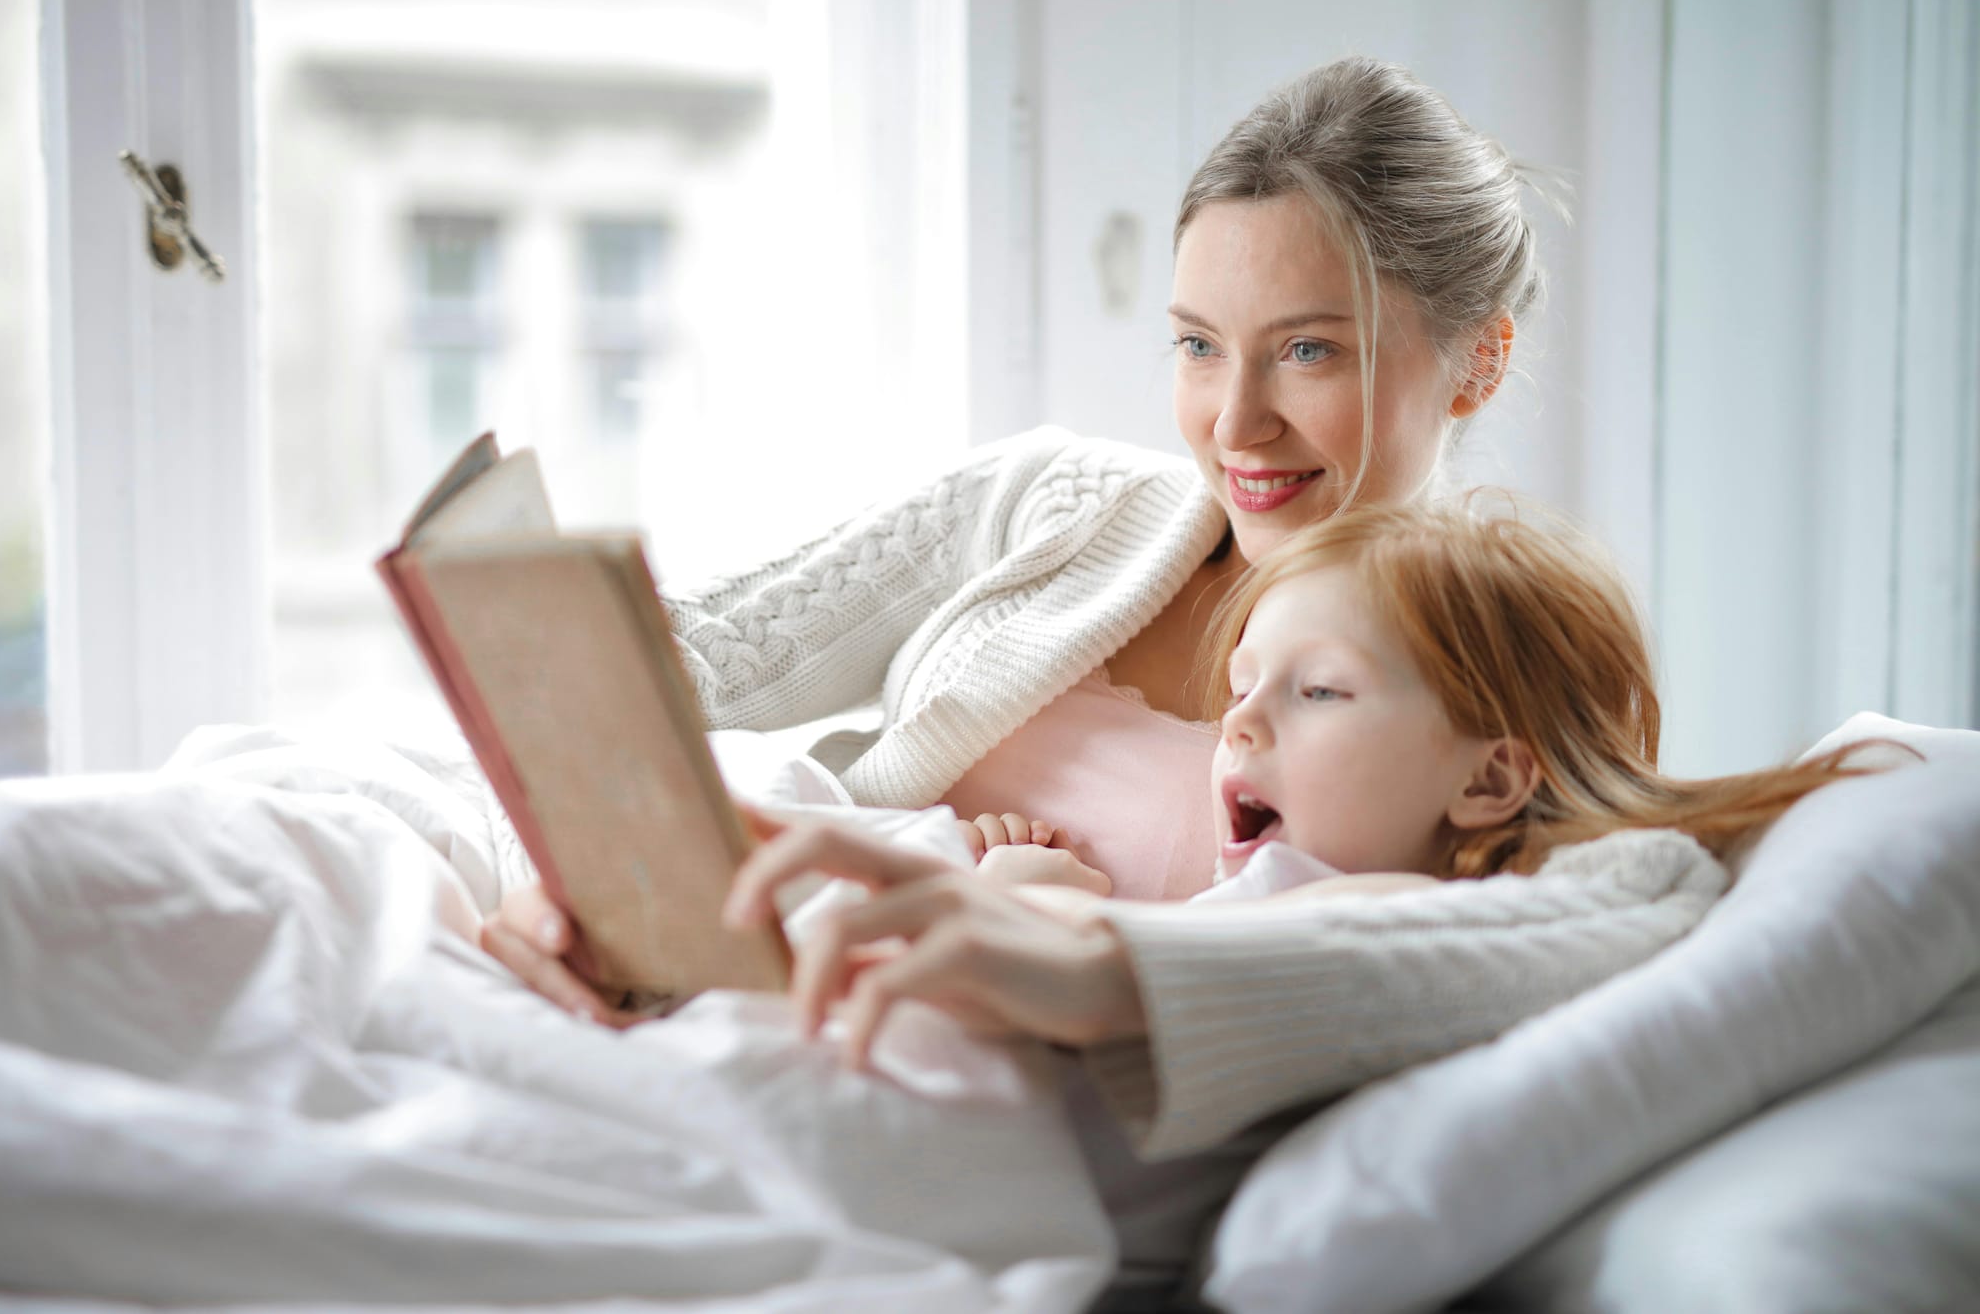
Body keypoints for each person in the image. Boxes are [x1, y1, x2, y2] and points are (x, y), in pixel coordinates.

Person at [484, 53, 1550, 1017]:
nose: (1232, 423)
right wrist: (580, 887)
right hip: (744, 989)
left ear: (1479, 362)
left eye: (1309, 352)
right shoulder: (1054, 501)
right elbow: (659, 679)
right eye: (1195, 345)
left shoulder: (1494, 690)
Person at [719, 497, 1881, 1294]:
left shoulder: (1431, 916)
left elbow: (1645, 884)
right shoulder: (1284, 891)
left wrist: (1065, 938)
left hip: (879, 1155)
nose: (1238, 720)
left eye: (1317, 690)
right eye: (1241, 684)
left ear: (1488, 776)